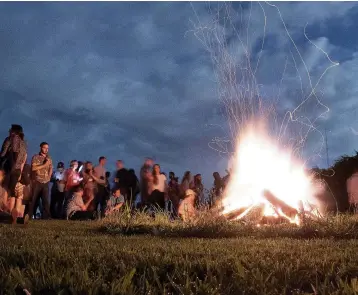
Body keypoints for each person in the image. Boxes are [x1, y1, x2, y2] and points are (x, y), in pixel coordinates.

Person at [0, 125, 27, 223]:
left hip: (9, 168)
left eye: (10, 130)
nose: (9, 131)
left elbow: (6, 153)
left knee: (4, 189)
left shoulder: (12, 138)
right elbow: (24, 158)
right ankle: (11, 215)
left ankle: (4, 211)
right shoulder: (24, 143)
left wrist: (9, 166)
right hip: (17, 170)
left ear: (14, 131)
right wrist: (20, 171)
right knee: (12, 191)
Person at [27, 142, 52, 221]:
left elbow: (51, 168)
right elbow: (33, 168)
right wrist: (44, 165)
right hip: (37, 181)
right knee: (33, 200)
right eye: (45, 147)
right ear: (41, 147)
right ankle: (29, 215)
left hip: (45, 182)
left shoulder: (49, 158)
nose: (46, 149)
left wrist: (48, 177)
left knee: (45, 200)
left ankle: (46, 217)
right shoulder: (36, 157)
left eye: (47, 148)